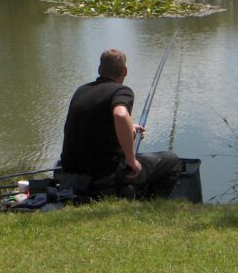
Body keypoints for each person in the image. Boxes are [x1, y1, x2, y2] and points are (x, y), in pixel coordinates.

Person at [60, 49, 181, 199]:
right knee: (171, 161)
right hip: (102, 181)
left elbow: (95, 125)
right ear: (125, 71)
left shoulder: (81, 91)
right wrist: (131, 159)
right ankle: (147, 204)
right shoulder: (122, 91)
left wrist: (129, 128)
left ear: (99, 70)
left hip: (69, 179)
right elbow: (120, 114)